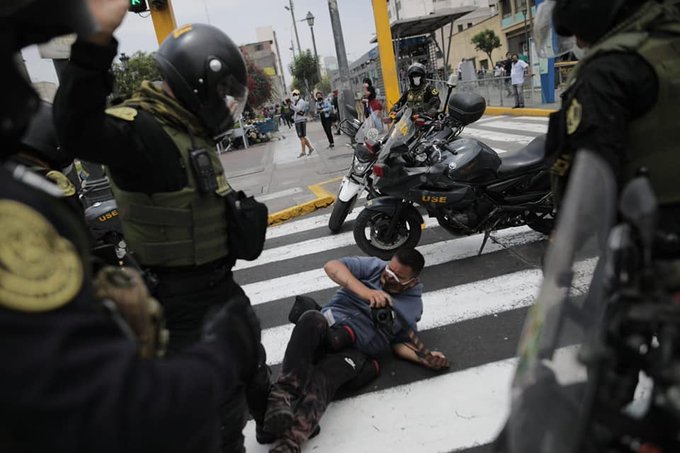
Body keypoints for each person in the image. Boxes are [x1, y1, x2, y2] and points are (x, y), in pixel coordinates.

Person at [0, 0, 264, 452]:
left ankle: (269, 411)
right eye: (219, 91)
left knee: (248, 364)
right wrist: (94, 47)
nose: (224, 103)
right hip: (181, 301)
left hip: (217, 283)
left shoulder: (186, 127)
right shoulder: (141, 128)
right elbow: (77, 128)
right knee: (212, 416)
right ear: (195, 82)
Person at [264, 249, 449, 453]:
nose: (389, 276)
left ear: (412, 281)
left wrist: (424, 358)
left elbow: (400, 342)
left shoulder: (412, 306)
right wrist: (366, 292)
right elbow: (332, 266)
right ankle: (280, 399)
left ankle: (291, 441)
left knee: (326, 376)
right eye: (390, 269)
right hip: (329, 328)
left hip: (354, 351)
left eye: (398, 276)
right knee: (310, 318)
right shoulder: (374, 267)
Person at [541, 0, 680, 224]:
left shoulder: (607, 71)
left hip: (653, 242)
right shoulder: (667, 43)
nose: (578, 42)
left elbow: (592, 183)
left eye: (578, 33)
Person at [288, 90, 314, 158]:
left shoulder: (301, 101)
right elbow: (293, 108)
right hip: (297, 121)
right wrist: (290, 103)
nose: (294, 96)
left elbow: (297, 109)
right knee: (302, 137)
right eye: (293, 95)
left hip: (300, 121)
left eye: (295, 94)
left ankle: (303, 152)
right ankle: (310, 148)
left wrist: (291, 104)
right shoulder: (296, 102)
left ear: (298, 94)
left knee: (301, 137)